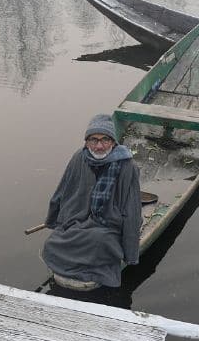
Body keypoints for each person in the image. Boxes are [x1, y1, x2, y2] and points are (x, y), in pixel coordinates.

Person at [41, 114, 142, 291]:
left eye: (105, 140)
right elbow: (63, 190)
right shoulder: (79, 157)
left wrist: (131, 252)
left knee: (99, 240)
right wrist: (54, 221)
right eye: (94, 140)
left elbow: (132, 209)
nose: (99, 146)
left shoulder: (127, 166)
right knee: (54, 241)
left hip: (108, 222)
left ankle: (87, 270)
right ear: (86, 142)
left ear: (113, 142)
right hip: (79, 217)